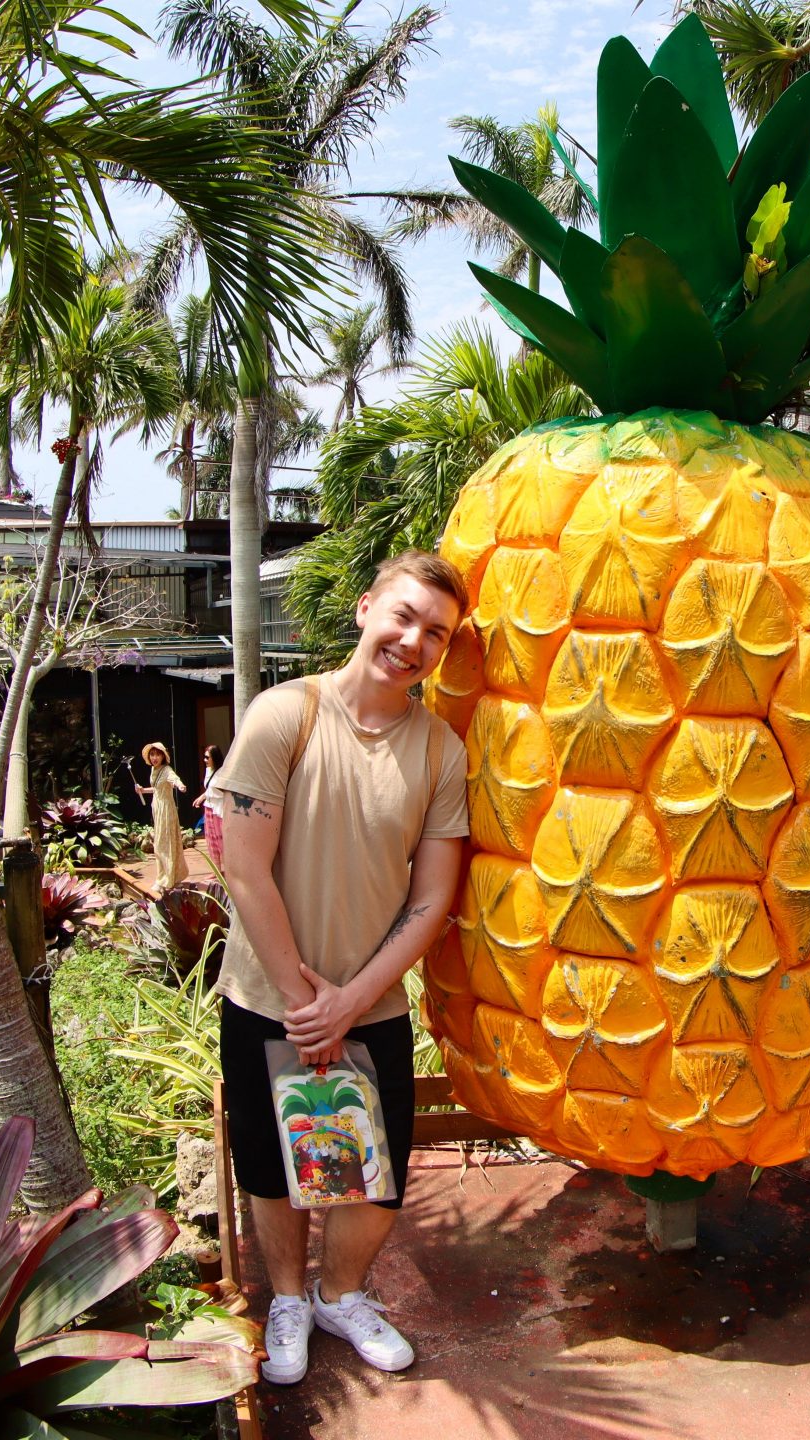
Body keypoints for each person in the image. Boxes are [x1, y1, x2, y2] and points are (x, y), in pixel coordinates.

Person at [207, 550, 469, 1385]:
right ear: (365, 610)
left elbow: (433, 897)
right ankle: (287, 1298)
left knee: (373, 1182)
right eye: (403, 616)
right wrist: (302, 1002)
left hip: (371, 1006)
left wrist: (348, 1003)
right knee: (270, 1169)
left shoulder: (440, 750)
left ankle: (339, 1295)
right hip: (266, 1000)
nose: (413, 641)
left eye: (436, 633)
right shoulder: (287, 714)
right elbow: (243, 865)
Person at [135, 742, 185, 895]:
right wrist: (142, 790)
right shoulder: (153, 769)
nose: (154, 757)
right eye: (152, 754)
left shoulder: (167, 770)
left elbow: (174, 779)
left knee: (166, 844)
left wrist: (180, 785)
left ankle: (167, 879)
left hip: (167, 810)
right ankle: (165, 877)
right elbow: (157, 789)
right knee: (159, 844)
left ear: (163, 756)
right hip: (157, 809)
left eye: (158, 754)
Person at [195, 744, 226, 866]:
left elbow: (219, 791)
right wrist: (201, 797)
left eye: (207, 757)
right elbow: (209, 789)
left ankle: (228, 869)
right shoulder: (209, 770)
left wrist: (205, 796)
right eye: (205, 757)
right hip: (209, 807)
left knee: (221, 839)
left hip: (219, 809)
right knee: (211, 838)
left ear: (215, 758)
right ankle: (216, 869)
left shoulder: (222, 773)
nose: (205, 760)